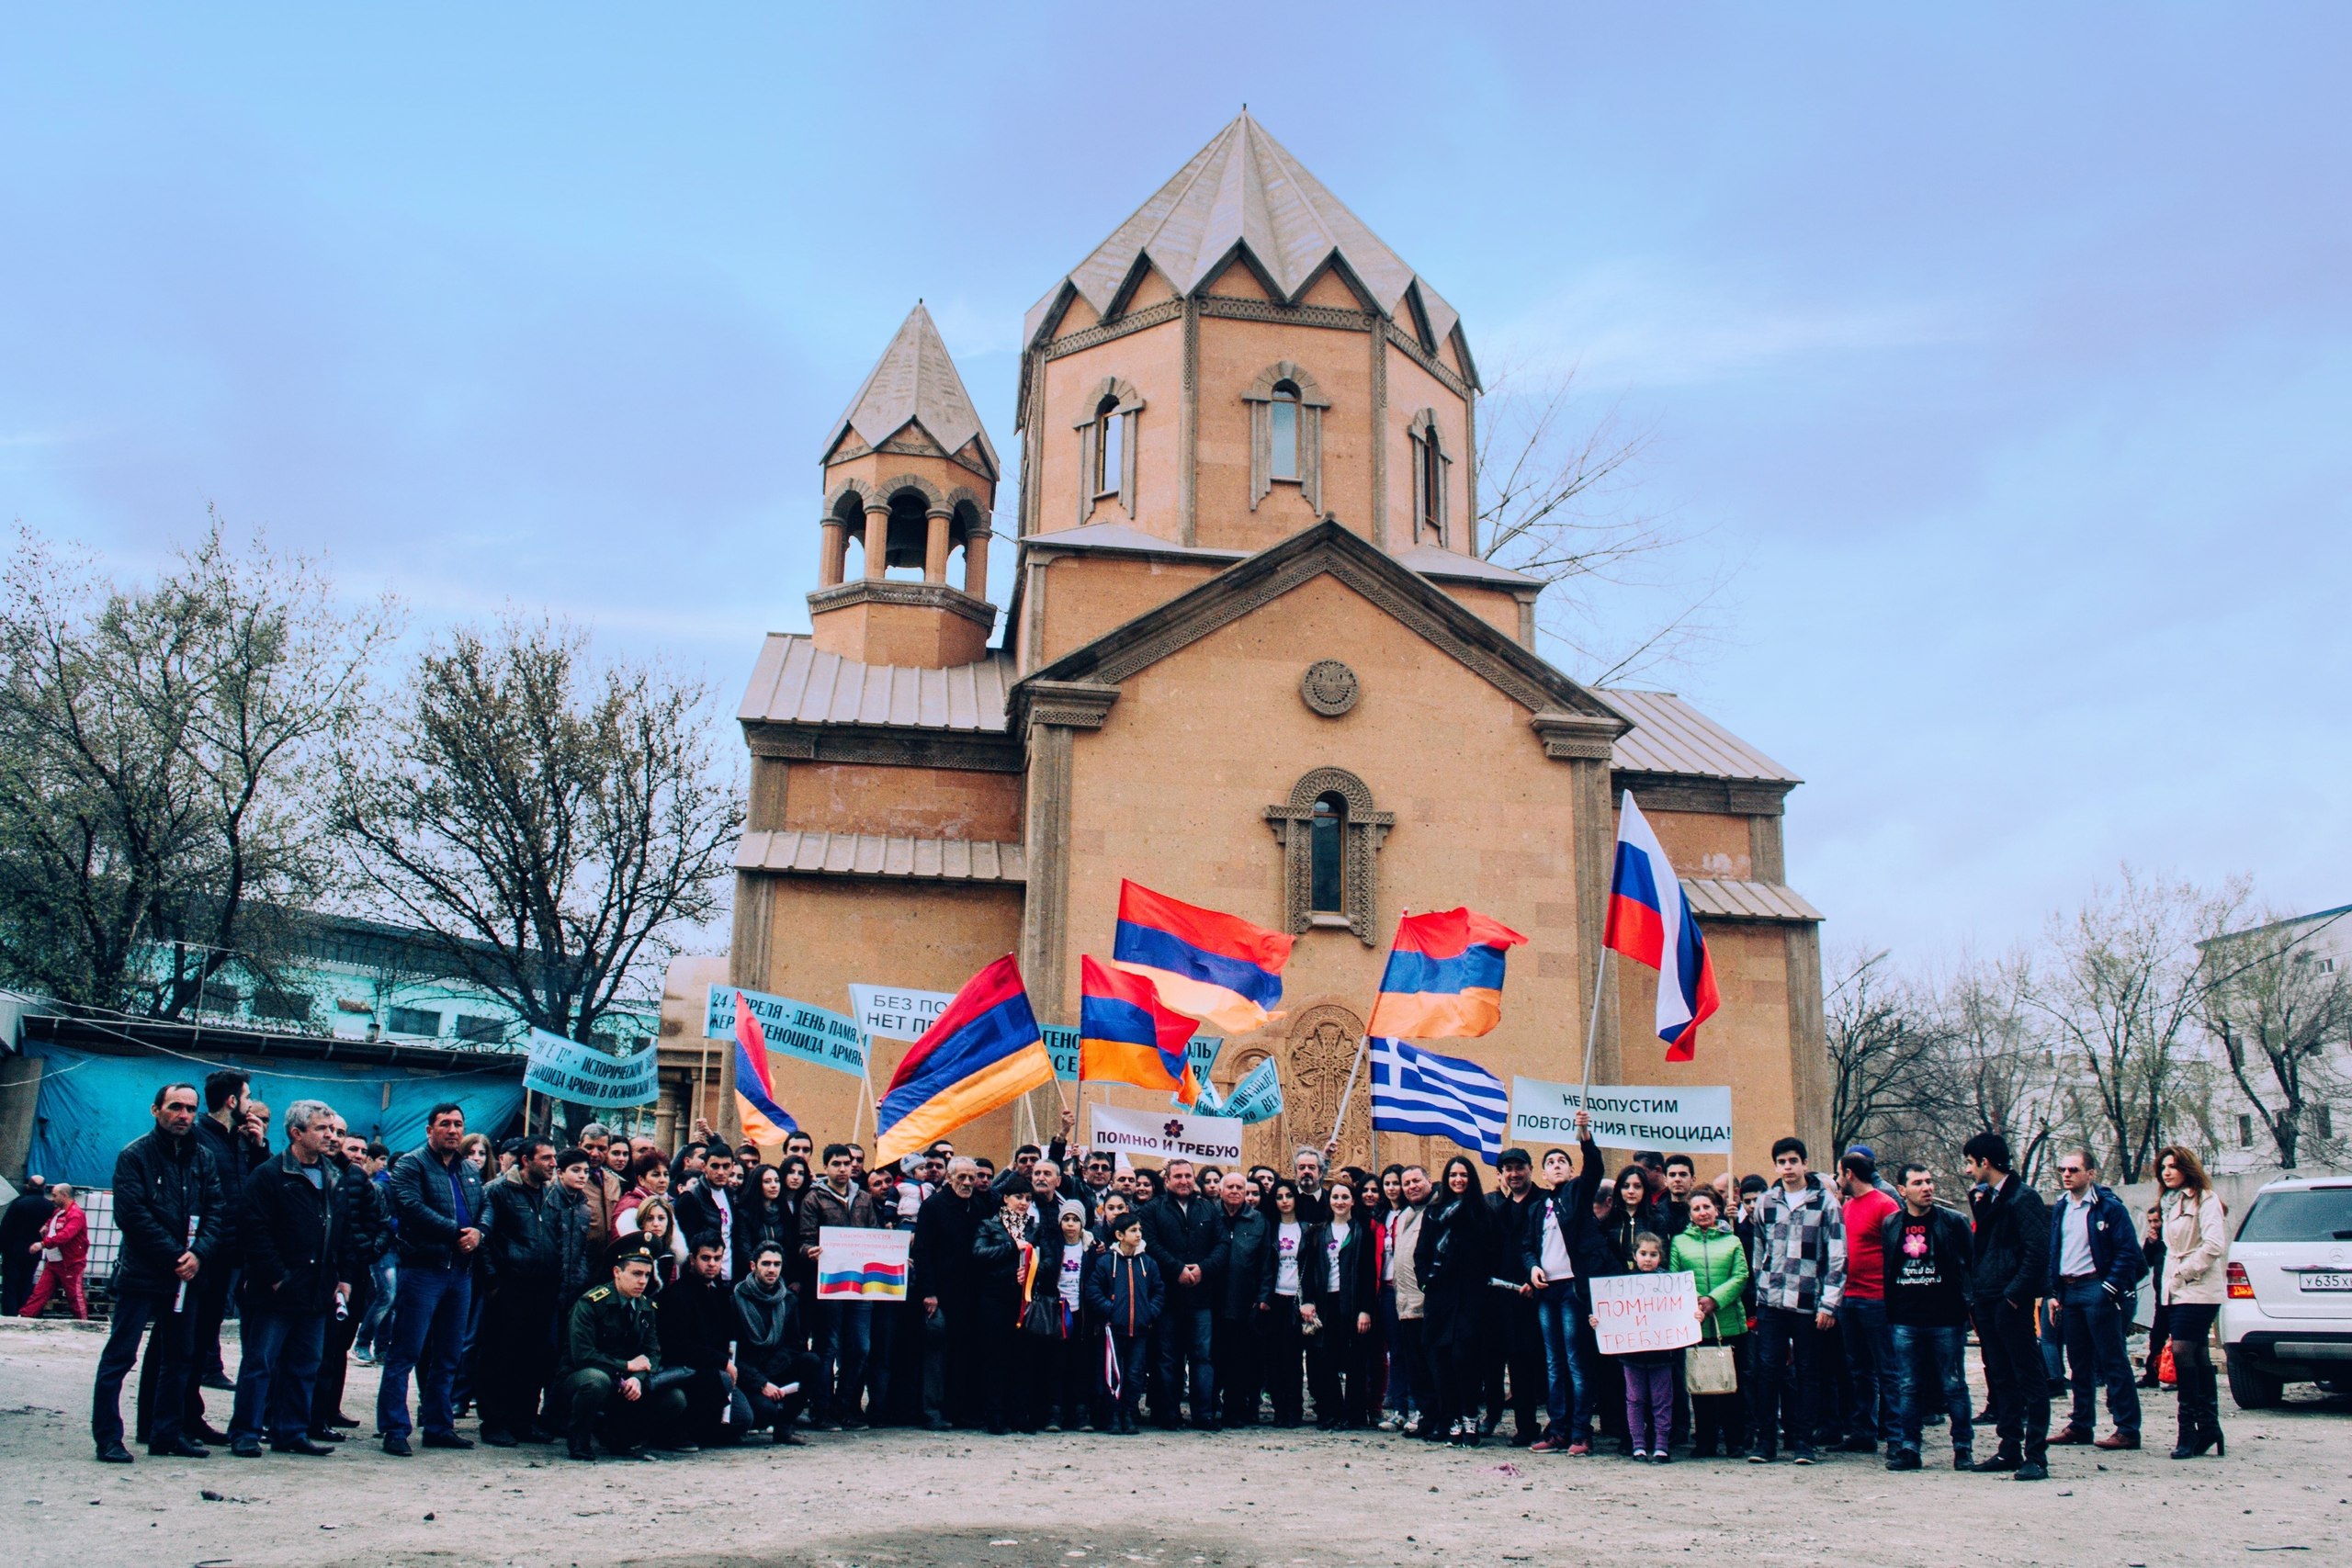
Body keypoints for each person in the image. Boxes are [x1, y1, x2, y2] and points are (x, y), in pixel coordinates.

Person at [91, 1081, 224, 1463]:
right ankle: (108, 1438)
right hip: (142, 1274)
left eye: (190, 1109)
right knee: (120, 1356)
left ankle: (167, 1432)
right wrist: (176, 1256)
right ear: (156, 1110)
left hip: (185, 1278)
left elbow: (216, 1209)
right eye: (175, 1107)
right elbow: (132, 1216)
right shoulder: (135, 1156)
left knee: (180, 1357)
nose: (183, 1115)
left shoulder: (202, 1158)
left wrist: (199, 1253)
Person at [225, 1099, 348, 1459]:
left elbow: (340, 1231)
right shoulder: (269, 1175)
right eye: (321, 1129)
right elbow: (254, 1230)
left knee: (305, 1365)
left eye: (331, 1129)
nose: (330, 1136)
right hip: (275, 1291)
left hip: (317, 1289)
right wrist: (277, 1278)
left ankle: (291, 1431)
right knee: (260, 1363)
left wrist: (339, 1277)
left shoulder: (334, 1176)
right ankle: (245, 1432)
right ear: (296, 1133)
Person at [377, 1102, 487, 1458]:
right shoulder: (411, 1164)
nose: (453, 1130)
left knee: (449, 1355)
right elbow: (409, 1206)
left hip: (460, 1273)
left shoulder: (469, 1169)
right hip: (423, 1270)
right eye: (445, 1124)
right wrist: (457, 1232)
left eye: (458, 1124)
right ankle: (394, 1429)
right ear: (430, 1130)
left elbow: (485, 1206)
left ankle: (439, 1426)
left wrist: (480, 1233)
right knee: (406, 1352)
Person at [1746, 1136, 1845, 1466]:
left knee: (1808, 1371)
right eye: (1781, 1162)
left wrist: (1829, 1303)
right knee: (1768, 1370)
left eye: (1792, 1161)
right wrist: (1760, 1286)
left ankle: (1804, 1442)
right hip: (1772, 1300)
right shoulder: (1766, 1202)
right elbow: (1758, 1249)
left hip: (1808, 1300)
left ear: (1804, 1163)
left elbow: (1836, 1255)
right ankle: (1765, 1442)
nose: (1787, 1168)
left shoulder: (1825, 1203)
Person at [1962, 1130, 2052, 1481]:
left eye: (1970, 1162)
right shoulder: (1987, 1198)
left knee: (2027, 1374)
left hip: (2009, 1299)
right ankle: (2009, 1447)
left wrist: (2015, 1294)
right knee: (2000, 1375)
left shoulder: (2023, 1198)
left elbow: (2036, 1251)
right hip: (1988, 1296)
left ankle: (2036, 1454)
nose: (1968, 1170)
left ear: (1985, 1162)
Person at [2046, 1148, 2144, 1451]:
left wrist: (2110, 1287)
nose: (2067, 1174)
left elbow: (2128, 1251)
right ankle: (2081, 1423)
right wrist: (2053, 1292)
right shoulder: (2062, 1207)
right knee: (2078, 1362)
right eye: (2063, 1169)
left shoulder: (2108, 1207)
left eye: (2074, 1169)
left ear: (2090, 1174)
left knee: (2112, 1359)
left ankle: (2127, 1428)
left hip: (2096, 1288)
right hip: (2069, 1290)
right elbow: (2055, 1251)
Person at [1523, 1116, 1611, 1455]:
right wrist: (1531, 1267)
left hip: (1574, 1290)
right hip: (1548, 1292)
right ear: (1543, 1174)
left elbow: (1595, 1169)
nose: (1556, 1166)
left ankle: (1580, 1432)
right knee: (1554, 1363)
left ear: (1571, 1171)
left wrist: (1585, 1138)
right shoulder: (1537, 1208)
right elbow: (1527, 1246)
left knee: (1576, 1362)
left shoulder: (1577, 1192)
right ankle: (1557, 1429)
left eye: (1562, 1162)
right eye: (1550, 1163)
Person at [1881, 1162, 1975, 1472]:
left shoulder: (1953, 1222)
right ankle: (1910, 1448)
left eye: (1930, 1181)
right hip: (1906, 1319)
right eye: (1918, 1183)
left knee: (1953, 1385)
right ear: (1902, 1190)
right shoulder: (1892, 1224)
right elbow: (1890, 1269)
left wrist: (1968, 1308)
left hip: (1945, 1318)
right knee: (1908, 1385)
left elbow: (1971, 1267)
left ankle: (1963, 1448)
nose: (1927, 1188)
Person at [559, 1237, 689, 1461]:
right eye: (636, 1274)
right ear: (617, 1272)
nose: (643, 1281)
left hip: (626, 1382)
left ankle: (622, 1437)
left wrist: (637, 1377)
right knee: (596, 1380)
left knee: (675, 1398)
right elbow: (582, 1356)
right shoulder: (591, 1303)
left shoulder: (647, 1307)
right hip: (582, 1377)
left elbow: (652, 1353)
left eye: (647, 1275)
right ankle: (579, 1442)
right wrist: (626, 1366)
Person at [479, 1136, 570, 1447]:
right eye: (546, 1158)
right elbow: (486, 1239)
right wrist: (492, 1280)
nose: (553, 1164)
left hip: (543, 1288)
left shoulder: (550, 1193)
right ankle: (494, 1422)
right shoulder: (498, 1191)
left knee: (536, 1357)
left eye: (554, 1157)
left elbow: (557, 1236)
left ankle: (523, 1419)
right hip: (510, 1287)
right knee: (502, 1355)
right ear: (526, 1160)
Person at [312, 1124, 390, 1438]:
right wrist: (358, 1246)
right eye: (352, 1148)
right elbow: (344, 1228)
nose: (357, 1155)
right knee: (325, 1346)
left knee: (341, 1344)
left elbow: (381, 1223)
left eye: (362, 1151)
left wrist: (368, 1251)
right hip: (334, 1271)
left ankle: (330, 1408)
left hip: (357, 1272)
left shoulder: (364, 1183)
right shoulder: (329, 1178)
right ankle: (316, 1414)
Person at [801, 1142, 882, 1427]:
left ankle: (843, 1405)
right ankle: (822, 1409)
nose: (843, 1168)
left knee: (860, 1347)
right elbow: (805, 1240)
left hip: (861, 1285)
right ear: (826, 1168)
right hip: (831, 1285)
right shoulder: (814, 1199)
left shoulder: (863, 1198)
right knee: (829, 1347)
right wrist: (809, 1252)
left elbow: (873, 1235)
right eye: (836, 1164)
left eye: (847, 1163)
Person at [2155, 1144, 2228, 1460]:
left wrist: (2184, 1273)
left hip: (2198, 1286)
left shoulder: (2206, 1199)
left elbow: (2214, 1245)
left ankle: (2188, 1431)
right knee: (2196, 1354)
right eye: (2163, 1167)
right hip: (2176, 1287)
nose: (2167, 1172)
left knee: (2184, 1351)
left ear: (2187, 1168)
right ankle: (2208, 1427)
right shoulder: (2167, 1202)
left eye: (2173, 1166)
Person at [187, 1068, 254, 1404]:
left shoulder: (238, 1140)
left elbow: (252, 1186)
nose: (251, 1104)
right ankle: (174, 1417)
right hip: (203, 1251)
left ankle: (191, 1413)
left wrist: (258, 1146)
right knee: (188, 1336)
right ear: (232, 1101)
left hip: (230, 1249)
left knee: (208, 1328)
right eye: (247, 1097)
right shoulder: (199, 1138)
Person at [1138, 1157, 1220, 1430]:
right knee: (1168, 1358)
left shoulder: (1209, 1209)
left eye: (1188, 1176)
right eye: (1178, 1176)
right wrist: (1177, 1270)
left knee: (1203, 1358)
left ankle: (1203, 1414)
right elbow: (1149, 1244)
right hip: (1168, 1298)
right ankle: (1169, 1413)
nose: (1184, 1181)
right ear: (1167, 1181)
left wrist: (1202, 1270)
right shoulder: (1152, 1210)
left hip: (1202, 1297)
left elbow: (1222, 1244)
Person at [1416, 1155, 1492, 1446]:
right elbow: (1422, 1253)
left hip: (1471, 1297)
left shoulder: (1481, 1213)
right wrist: (1426, 1281)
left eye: (1464, 1175)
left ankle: (1470, 1416)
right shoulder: (1434, 1213)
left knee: (1465, 1359)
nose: (1458, 1179)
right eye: (1453, 1175)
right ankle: (1450, 1419)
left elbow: (1491, 1254)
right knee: (1440, 1360)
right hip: (1439, 1296)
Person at [1670, 1187, 1748, 1459]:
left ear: (1716, 1209)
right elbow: (1674, 1275)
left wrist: (1715, 1299)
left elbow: (1741, 1276)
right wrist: (1694, 1301)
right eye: (1696, 1208)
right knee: (1701, 1385)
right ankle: (1705, 1441)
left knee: (1731, 1385)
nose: (1702, 1212)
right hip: (1695, 1323)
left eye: (1707, 1207)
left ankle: (1735, 1440)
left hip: (1728, 1322)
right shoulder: (1679, 1243)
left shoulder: (1732, 1241)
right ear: (1690, 1214)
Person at [910, 1156, 986, 1430]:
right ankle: (931, 1412)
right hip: (939, 1294)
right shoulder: (933, 1207)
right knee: (936, 1353)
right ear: (949, 1178)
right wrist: (929, 1292)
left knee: (962, 1353)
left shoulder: (977, 1206)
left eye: (971, 1177)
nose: (967, 1182)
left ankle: (957, 1410)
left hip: (969, 1294)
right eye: (961, 1177)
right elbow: (922, 1251)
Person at [1837, 1149, 1900, 1454]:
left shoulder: (1884, 1205)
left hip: (1876, 1299)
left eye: (1839, 1174)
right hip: (1850, 1297)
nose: (1837, 1180)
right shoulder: (1848, 1206)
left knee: (1887, 1368)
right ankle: (1864, 1431)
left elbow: (1896, 1251)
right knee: (1859, 1369)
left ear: (1850, 1174)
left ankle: (1897, 1433)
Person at [1304, 1177, 1378, 1430]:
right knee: (1327, 1359)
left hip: (1353, 1303)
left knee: (1356, 1360)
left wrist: (1366, 1309)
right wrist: (1309, 1301)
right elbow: (1310, 1271)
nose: (1340, 1202)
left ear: (1353, 1201)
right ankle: (1331, 1412)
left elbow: (1369, 1274)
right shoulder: (1318, 1232)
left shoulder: (1362, 1231)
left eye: (1345, 1197)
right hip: (1327, 1302)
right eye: (1335, 1197)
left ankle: (1355, 1414)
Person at [1595, 1232, 1677, 1461]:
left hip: (1662, 1354)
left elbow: (1678, 1310)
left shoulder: (1670, 1283)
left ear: (1661, 1256)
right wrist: (1599, 1320)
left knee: (1662, 1401)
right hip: (1632, 1354)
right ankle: (1638, 1444)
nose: (1648, 1259)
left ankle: (1661, 1445)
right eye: (1643, 1253)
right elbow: (1612, 1313)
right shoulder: (1624, 1283)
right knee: (1635, 1399)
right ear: (1634, 1255)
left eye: (1653, 1254)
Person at [1085, 1211, 1164, 1435]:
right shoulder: (1106, 1262)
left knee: (1135, 1372)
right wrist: (1110, 1310)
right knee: (1113, 1373)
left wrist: (1150, 1311)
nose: (1139, 1234)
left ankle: (1129, 1413)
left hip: (1139, 1329)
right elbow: (1093, 1290)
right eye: (1133, 1231)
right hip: (1113, 1330)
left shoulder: (1147, 1262)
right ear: (1119, 1235)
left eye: (1139, 1230)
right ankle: (1113, 1415)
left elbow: (1158, 1290)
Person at [733, 1242, 819, 1443]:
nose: (772, 1269)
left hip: (776, 1368)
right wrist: (761, 1382)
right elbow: (733, 1352)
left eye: (777, 1264)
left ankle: (785, 1427)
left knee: (811, 1361)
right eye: (766, 1263)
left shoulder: (788, 1300)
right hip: (747, 1375)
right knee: (765, 1412)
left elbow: (797, 1344)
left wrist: (773, 1371)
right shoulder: (736, 1299)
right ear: (753, 1266)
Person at [659, 1233, 739, 1448]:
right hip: (685, 1372)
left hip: (715, 1370)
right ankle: (678, 1432)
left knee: (745, 1418)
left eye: (717, 1258)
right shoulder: (677, 1295)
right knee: (718, 1382)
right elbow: (677, 1346)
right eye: (706, 1258)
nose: (712, 1264)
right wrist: (722, 1362)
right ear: (693, 1259)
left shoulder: (720, 1294)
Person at [970, 1184, 1036, 1435]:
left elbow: (1047, 1258)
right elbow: (978, 1253)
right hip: (994, 1298)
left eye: (1028, 1198)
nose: (1023, 1202)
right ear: (1006, 1198)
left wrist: (1032, 1270)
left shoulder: (1033, 1228)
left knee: (1022, 1359)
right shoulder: (989, 1225)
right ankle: (994, 1415)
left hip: (1024, 1301)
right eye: (1018, 1196)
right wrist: (1011, 1247)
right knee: (994, 1357)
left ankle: (1020, 1414)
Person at [1209, 1170, 1272, 1427]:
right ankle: (1209, 1407)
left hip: (1245, 1303)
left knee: (1240, 1360)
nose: (1235, 1191)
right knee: (1213, 1358)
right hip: (1212, 1301)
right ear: (1221, 1190)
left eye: (1239, 1187)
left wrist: (1264, 1296)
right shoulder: (1210, 1216)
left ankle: (1235, 1410)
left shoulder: (1258, 1221)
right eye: (1230, 1186)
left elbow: (1267, 1261)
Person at [1385, 1165, 1433, 1436]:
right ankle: (1425, 1415)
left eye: (1417, 1181)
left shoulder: (1436, 1211)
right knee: (1415, 1364)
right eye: (1407, 1183)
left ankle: (1438, 1416)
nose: (1412, 1186)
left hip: (1429, 1303)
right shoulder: (1403, 1215)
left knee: (1432, 1364)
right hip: (1405, 1304)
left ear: (1429, 1182)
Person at [1258, 1179, 1309, 1427]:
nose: (1285, 1200)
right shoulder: (1270, 1228)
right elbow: (1265, 1266)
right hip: (1275, 1299)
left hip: (1298, 1300)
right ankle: (1279, 1409)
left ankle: (1294, 1409)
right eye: (1279, 1197)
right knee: (1274, 1357)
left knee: (1294, 1359)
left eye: (1289, 1195)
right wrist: (1264, 1297)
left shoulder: (1308, 1229)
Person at [18, 1180, 88, 1320]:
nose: (52, 1198)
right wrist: (46, 1225)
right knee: (40, 1292)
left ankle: (83, 1322)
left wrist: (42, 1244)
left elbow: (65, 1235)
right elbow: (53, 1222)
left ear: (64, 1195)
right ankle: (25, 1316)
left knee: (74, 1296)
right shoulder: (59, 1212)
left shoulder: (76, 1214)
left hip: (70, 1263)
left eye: (55, 1195)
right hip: (54, 1261)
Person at [673, 1145, 739, 1280]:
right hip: (702, 1279)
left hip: (729, 1276)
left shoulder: (731, 1195)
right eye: (715, 1166)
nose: (721, 1172)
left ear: (732, 1166)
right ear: (704, 1166)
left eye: (726, 1166)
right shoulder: (690, 1198)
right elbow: (687, 1246)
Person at [2, 1175, 53, 1315]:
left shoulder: (19, 1204)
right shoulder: (49, 1206)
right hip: (35, 1250)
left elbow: (6, 1228)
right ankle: (24, 1312)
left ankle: (9, 1314)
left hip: (13, 1250)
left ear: (27, 1187)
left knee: (10, 1284)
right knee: (27, 1281)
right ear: (44, 1188)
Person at [2137, 1203, 2171, 1388]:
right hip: (2161, 1296)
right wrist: (2150, 1244)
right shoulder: (2155, 1241)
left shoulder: (2172, 1238)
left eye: (2156, 1221)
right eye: (2150, 1221)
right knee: (2157, 1337)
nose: (2153, 1225)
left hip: (2177, 1295)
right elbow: (2145, 1263)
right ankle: (2153, 1374)